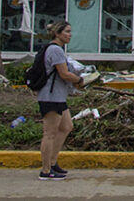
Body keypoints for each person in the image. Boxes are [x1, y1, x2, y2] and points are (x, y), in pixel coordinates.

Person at [36, 20, 86, 181]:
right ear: (57, 34)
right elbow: (64, 73)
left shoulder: (56, 50)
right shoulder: (55, 50)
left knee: (66, 126)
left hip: (58, 96)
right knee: (49, 133)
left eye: (70, 32)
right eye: (67, 32)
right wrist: (79, 80)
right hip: (51, 97)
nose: (70, 35)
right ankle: (45, 170)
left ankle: (53, 161)